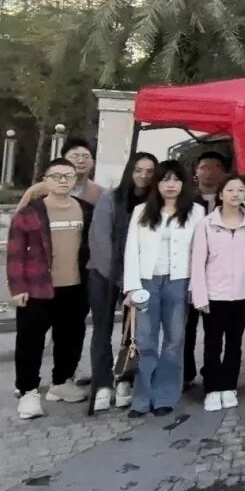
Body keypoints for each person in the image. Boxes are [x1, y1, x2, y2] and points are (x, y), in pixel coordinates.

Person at [7, 158, 94, 419]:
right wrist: (17, 287)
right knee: (30, 341)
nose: (62, 181)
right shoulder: (30, 212)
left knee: (71, 337)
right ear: (45, 180)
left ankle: (61, 382)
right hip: (37, 288)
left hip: (75, 287)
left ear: (75, 180)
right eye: (56, 176)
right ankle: (28, 391)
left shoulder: (86, 210)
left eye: (68, 176)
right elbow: (15, 252)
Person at [123, 160, 206, 417]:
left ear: (184, 183)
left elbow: (199, 252)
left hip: (179, 281)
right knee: (145, 340)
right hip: (147, 282)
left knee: (174, 340)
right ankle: (142, 398)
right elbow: (131, 250)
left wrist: (196, 286)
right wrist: (131, 287)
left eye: (176, 179)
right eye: (165, 179)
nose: (170, 185)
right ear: (156, 184)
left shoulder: (196, 212)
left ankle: (166, 396)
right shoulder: (141, 211)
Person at [88, 151, 157, 413]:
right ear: (130, 171)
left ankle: (125, 377)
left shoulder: (154, 203)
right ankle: (102, 382)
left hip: (137, 276)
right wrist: (120, 279)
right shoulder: (111, 199)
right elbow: (100, 242)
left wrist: (132, 281)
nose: (143, 176)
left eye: (149, 171)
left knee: (133, 331)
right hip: (104, 273)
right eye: (138, 170)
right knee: (102, 330)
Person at [190, 175, 245, 412]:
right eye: (230, 190)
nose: (236, 194)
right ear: (220, 194)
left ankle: (229, 386)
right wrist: (200, 296)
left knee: (235, 343)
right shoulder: (207, 224)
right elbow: (198, 262)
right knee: (213, 342)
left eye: (240, 190)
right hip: (214, 294)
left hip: (243, 293)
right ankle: (212, 388)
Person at [184, 150, 229, 393]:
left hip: (219, 277)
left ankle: (212, 374)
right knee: (185, 327)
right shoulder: (184, 201)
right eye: (204, 167)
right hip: (187, 274)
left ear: (224, 173)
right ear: (196, 172)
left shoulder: (231, 201)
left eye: (215, 167)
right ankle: (185, 372)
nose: (209, 172)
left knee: (215, 330)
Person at [18, 137, 104, 208]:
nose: (81, 161)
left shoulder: (99, 193)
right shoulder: (38, 191)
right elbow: (19, 220)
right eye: (75, 156)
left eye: (86, 157)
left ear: (93, 163)